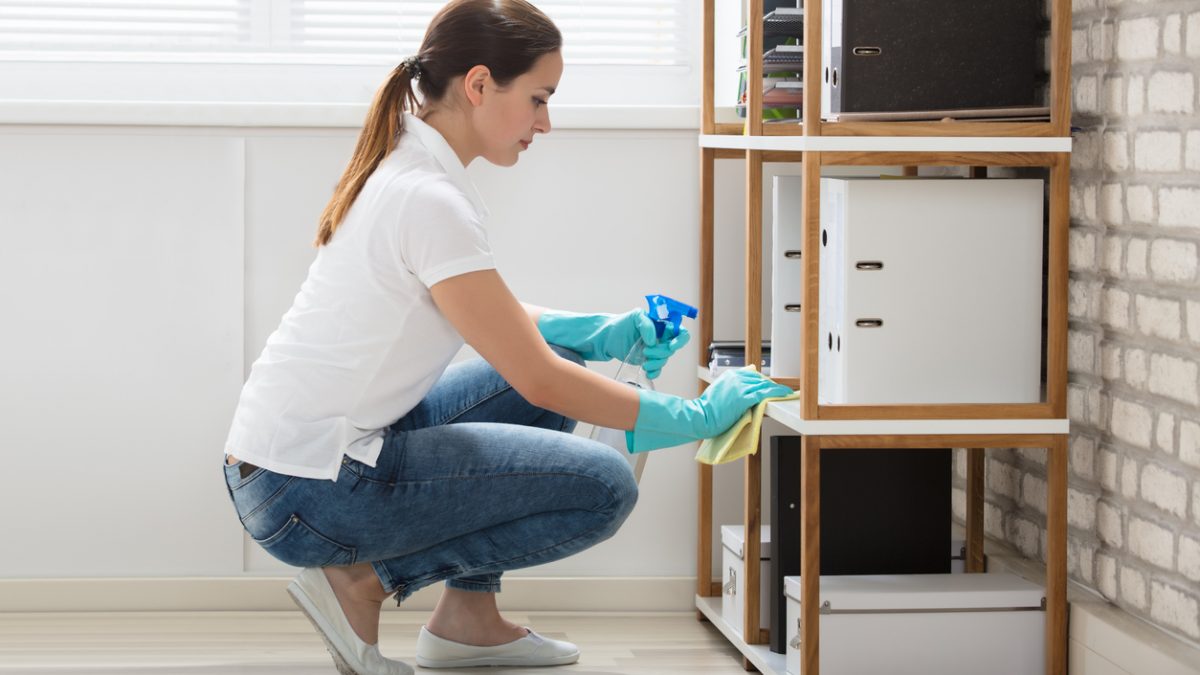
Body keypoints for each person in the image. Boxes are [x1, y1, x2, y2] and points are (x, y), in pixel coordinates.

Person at [220, 1, 792, 673]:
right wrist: (690, 416)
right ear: (480, 84)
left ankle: (469, 617)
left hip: (291, 465)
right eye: (539, 99)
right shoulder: (428, 198)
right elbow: (537, 378)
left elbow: (482, 310)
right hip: (312, 492)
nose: (546, 123)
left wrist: (600, 333)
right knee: (604, 485)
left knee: (559, 359)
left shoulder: (412, 167)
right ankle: (364, 579)